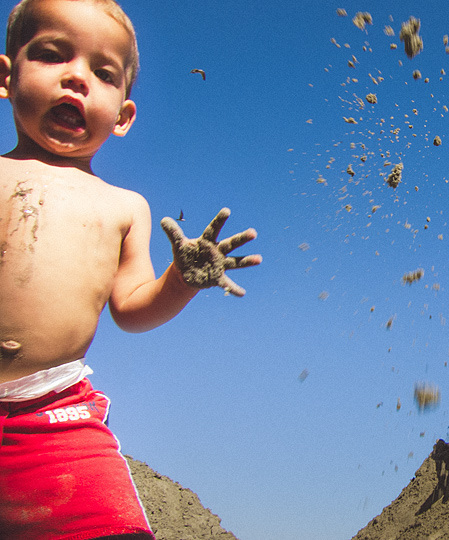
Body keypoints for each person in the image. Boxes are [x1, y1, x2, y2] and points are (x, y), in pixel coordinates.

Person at [0, 0, 261, 538]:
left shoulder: (122, 207)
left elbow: (133, 308)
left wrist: (182, 280)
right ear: (6, 77)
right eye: (52, 55)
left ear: (122, 116)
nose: (76, 78)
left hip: (55, 424)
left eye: (103, 73)